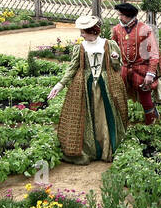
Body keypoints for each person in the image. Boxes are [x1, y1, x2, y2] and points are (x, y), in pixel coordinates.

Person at [48, 14, 128, 164]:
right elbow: (73, 68)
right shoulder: (80, 47)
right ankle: (90, 151)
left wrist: (115, 59)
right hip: (85, 86)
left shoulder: (109, 44)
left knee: (105, 116)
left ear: (92, 31)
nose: (81, 35)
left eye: (83, 32)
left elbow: (117, 67)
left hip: (106, 85)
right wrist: (60, 85)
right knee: (86, 116)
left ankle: (106, 150)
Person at [111, 1, 161, 124]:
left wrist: (150, 73)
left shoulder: (145, 29)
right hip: (124, 69)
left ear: (129, 16)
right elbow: (113, 46)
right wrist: (114, 54)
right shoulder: (116, 29)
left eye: (121, 15)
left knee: (145, 97)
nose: (119, 17)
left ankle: (151, 124)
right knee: (119, 96)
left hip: (141, 69)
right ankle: (121, 124)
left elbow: (154, 53)